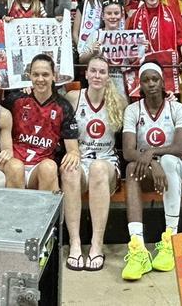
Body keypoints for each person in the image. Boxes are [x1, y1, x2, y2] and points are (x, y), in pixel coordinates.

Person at [120, 63, 182, 282]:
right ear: (139, 84)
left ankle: (170, 239)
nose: (151, 84)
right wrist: (151, 162)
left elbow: (180, 148)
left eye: (155, 79)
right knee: (131, 168)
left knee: (168, 160)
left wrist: (152, 153)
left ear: (163, 82)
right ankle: (138, 248)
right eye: (146, 80)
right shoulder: (133, 110)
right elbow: (128, 152)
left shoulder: (178, 109)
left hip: (178, 170)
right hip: (149, 171)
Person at [60, 55, 124, 271]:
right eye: (93, 71)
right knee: (69, 169)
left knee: (98, 168)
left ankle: (97, 245)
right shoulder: (73, 97)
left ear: (108, 77)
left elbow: (140, 114)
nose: (97, 75)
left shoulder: (119, 101)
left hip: (107, 164)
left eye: (102, 72)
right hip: (81, 160)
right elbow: (50, 104)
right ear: (86, 74)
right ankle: (75, 243)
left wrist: (168, 99)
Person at [1, 54, 79, 193]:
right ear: (29, 76)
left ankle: (47, 207)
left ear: (54, 76)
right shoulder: (16, 100)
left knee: (49, 167)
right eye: (36, 74)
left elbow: (72, 148)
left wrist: (74, 153)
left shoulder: (63, 106)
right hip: (14, 164)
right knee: (15, 167)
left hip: (39, 168)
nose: (40, 79)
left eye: (45, 74)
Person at [129, 0, 182, 74]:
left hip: (170, 68)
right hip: (144, 70)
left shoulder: (173, 13)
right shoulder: (134, 17)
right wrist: (139, 48)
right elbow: (129, 47)